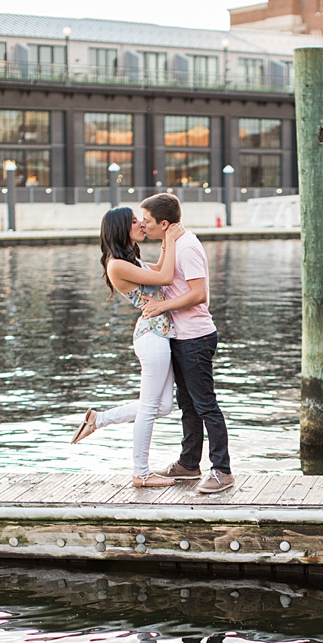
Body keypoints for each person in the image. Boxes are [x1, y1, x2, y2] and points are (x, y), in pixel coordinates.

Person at [70, 206, 184, 488]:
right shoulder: (116, 265)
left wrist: (165, 241)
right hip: (152, 337)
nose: (141, 225)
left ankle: (99, 419)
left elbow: (161, 268)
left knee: (163, 406)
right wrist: (170, 239)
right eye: (134, 221)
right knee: (149, 408)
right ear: (121, 228)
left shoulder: (130, 260)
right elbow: (166, 277)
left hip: (160, 334)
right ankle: (141, 473)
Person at [139, 193, 234, 493]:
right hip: (180, 337)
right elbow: (163, 274)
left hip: (196, 337)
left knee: (205, 405)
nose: (142, 225)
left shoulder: (188, 246)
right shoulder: (172, 244)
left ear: (164, 224)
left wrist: (161, 306)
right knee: (188, 405)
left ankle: (222, 471)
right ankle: (189, 464)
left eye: (147, 221)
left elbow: (198, 293)